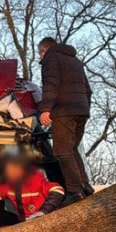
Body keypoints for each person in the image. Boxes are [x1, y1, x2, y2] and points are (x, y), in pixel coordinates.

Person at [37, 37, 92, 205]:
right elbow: (88, 90)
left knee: (61, 151)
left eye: (40, 54)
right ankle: (85, 186)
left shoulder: (51, 58)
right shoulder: (75, 60)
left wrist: (46, 109)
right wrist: (84, 108)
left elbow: (51, 84)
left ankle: (74, 191)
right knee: (72, 148)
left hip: (63, 110)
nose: (40, 58)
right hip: (81, 110)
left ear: (44, 50)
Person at [0, 156, 65, 222]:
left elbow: (58, 190)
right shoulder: (10, 187)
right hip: (25, 223)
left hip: (47, 220)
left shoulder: (37, 182)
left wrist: (43, 212)